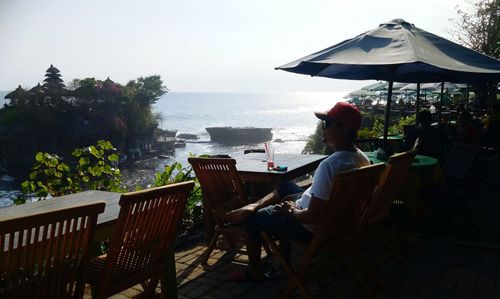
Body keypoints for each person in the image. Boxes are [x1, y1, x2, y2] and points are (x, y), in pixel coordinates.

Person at [225, 102, 370, 281]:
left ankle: (254, 271)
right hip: (338, 224)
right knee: (286, 186)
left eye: (327, 124)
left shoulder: (330, 166)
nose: (323, 128)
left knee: (251, 221)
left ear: (342, 129)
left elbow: (312, 217)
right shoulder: (362, 159)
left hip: (309, 227)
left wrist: (291, 211)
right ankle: (253, 206)